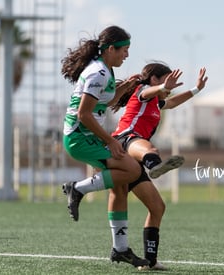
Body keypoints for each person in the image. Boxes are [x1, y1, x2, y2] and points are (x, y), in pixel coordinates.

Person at [60, 25, 149, 268]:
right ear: (111, 49)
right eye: (124, 50)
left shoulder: (105, 70)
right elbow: (85, 113)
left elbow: (104, 101)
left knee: (120, 187)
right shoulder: (98, 72)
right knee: (132, 170)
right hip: (80, 137)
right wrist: (110, 141)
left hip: (89, 136)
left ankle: (120, 250)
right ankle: (76, 189)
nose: (127, 55)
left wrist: (123, 88)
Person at [110, 62, 208, 270]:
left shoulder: (156, 103)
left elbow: (172, 103)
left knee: (157, 207)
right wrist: (163, 88)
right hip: (123, 142)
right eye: (165, 82)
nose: (168, 88)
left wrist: (196, 89)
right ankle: (154, 165)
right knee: (150, 151)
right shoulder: (142, 91)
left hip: (135, 157)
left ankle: (150, 261)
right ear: (154, 79)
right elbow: (151, 91)